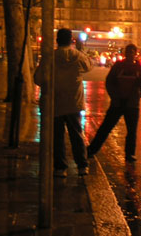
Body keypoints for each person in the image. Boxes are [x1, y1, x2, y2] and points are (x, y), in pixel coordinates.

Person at [34, 28, 92, 177]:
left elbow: (38, 79)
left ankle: (61, 168)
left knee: (57, 137)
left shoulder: (49, 58)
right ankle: (82, 165)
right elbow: (89, 66)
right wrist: (80, 48)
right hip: (74, 102)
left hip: (55, 102)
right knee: (76, 135)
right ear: (71, 40)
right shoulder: (78, 57)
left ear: (57, 40)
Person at [87, 43, 141, 163]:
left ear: (135, 54)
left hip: (128, 103)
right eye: (128, 52)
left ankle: (129, 154)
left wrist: (139, 94)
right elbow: (110, 82)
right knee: (106, 128)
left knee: (130, 131)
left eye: (132, 52)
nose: (130, 54)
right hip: (120, 102)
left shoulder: (138, 69)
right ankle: (92, 150)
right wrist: (116, 96)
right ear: (126, 53)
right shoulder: (122, 67)